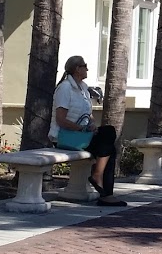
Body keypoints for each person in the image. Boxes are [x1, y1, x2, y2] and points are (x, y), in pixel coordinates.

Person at [51, 55, 126, 206]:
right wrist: (82, 128)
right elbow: (61, 120)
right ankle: (101, 185)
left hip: (81, 137)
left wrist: (92, 125)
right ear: (77, 69)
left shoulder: (83, 89)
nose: (87, 69)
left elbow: (88, 114)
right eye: (84, 66)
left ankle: (102, 186)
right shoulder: (65, 88)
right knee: (108, 141)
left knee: (109, 140)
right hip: (65, 138)